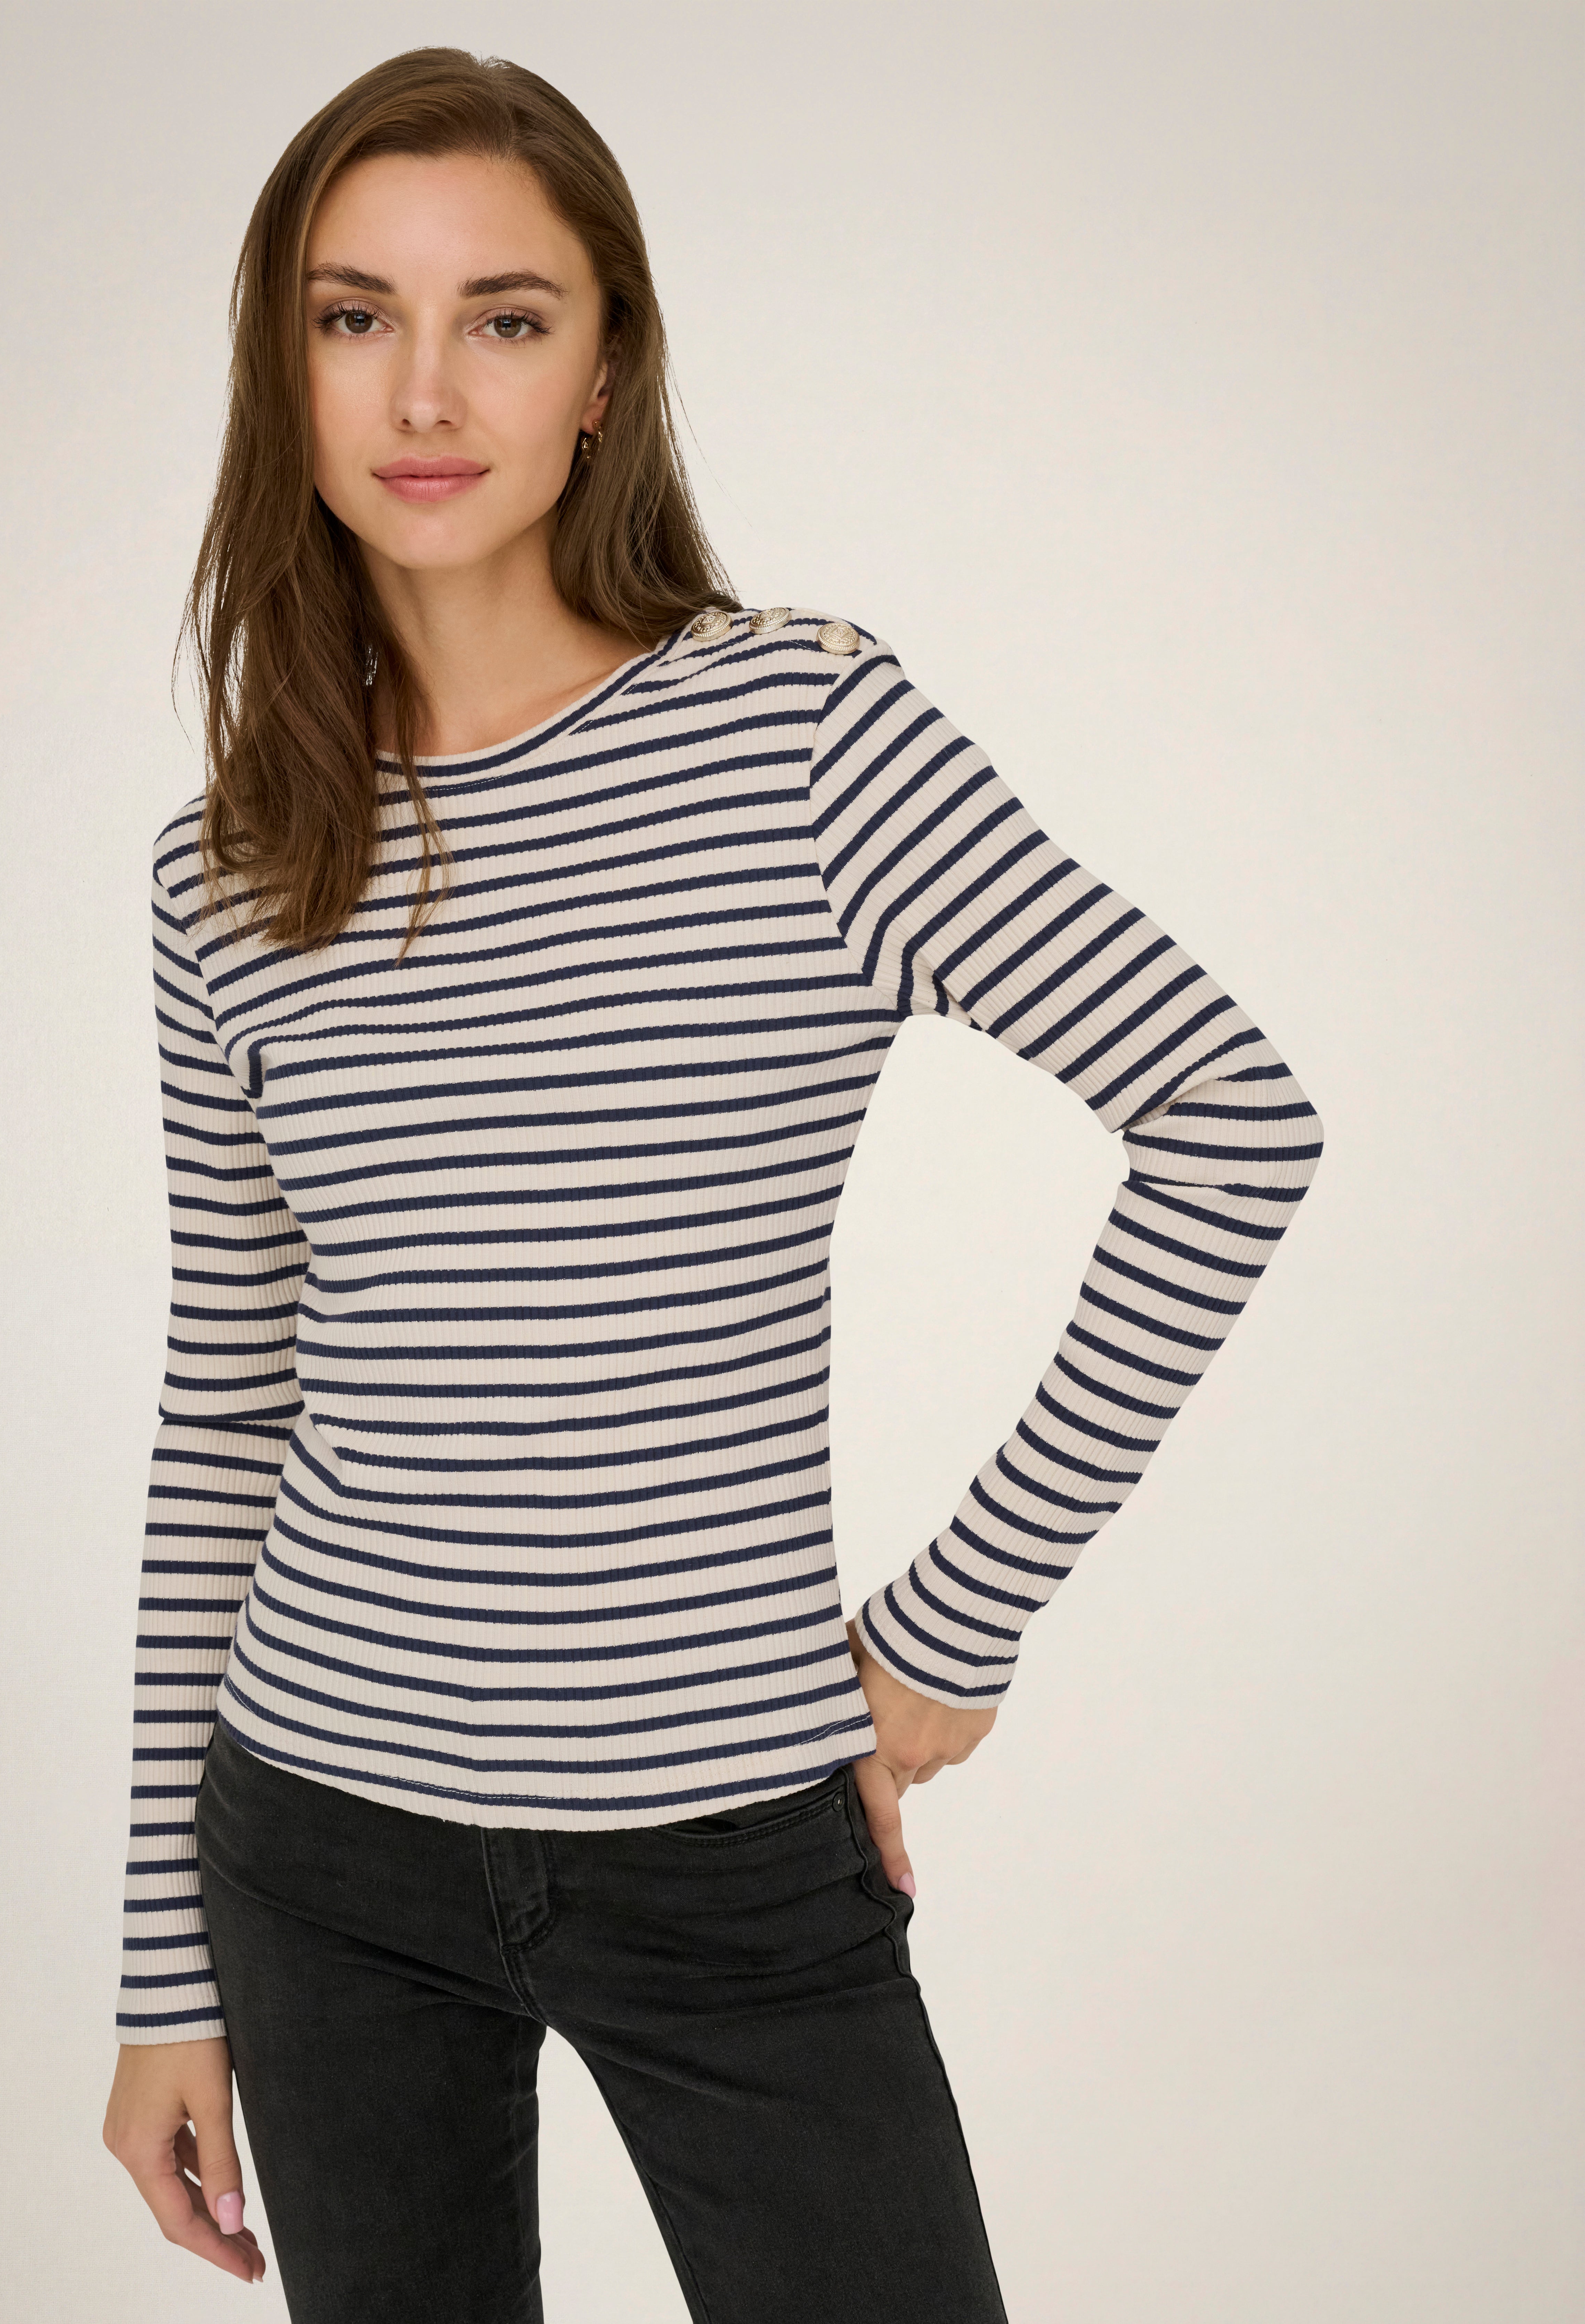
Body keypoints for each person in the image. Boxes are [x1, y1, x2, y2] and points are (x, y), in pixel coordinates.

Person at [101, 46, 1324, 2324]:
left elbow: (1230, 1118)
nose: (426, 387)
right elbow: (230, 1409)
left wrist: (951, 1628)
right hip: (319, 1847)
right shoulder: (226, 874)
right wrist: (163, 1974)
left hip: (735, 1846)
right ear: (284, 367)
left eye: (507, 316)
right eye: (357, 315)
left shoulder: (801, 738)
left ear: (604, 375)